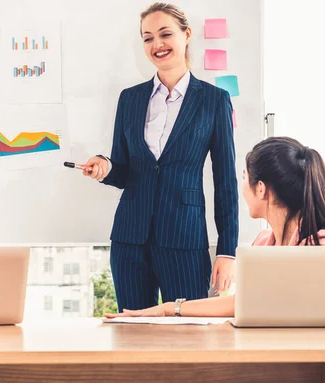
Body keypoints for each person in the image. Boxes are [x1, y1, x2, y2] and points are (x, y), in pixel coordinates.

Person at [82, 2, 238, 311]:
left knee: (189, 336)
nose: (157, 44)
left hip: (185, 238)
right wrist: (105, 168)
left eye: (165, 34)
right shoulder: (130, 99)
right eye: (148, 37)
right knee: (132, 333)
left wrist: (227, 251)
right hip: (130, 238)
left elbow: (225, 181)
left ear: (186, 34)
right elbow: (124, 170)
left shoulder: (214, 100)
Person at [105, 136, 325, 319]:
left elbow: (254, 303)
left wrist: (170, 309)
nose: (241, 187)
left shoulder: (322, 245)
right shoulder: (263, 243)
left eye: (244, 177)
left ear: (260, 189)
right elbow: (243, 303)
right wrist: (166, 310)